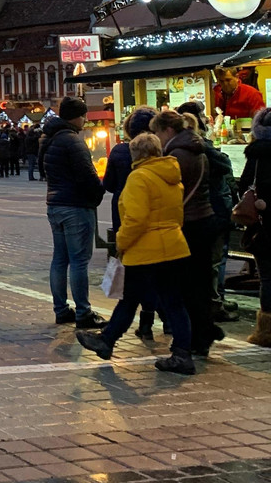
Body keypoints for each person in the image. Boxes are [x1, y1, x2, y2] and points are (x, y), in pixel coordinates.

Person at [74, 133, 195, 375]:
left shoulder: (139, 177)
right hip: (174, 246)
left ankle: (107, 340)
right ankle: (182, 354)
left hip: (146, 250)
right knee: (174, 302)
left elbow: (136, 219)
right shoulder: (172, 175)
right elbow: (177, 214)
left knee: (129, 298)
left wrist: (121, 242)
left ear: (136, 154)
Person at [150, 109, 223, 357]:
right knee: (201, 283)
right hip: (205, 219)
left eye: (158, 133)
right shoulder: (197, 149)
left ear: (168, 130)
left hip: (188, 224)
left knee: (186, 285)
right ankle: (203, 331)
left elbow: (171, 191)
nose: (157, 138)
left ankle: (195, 336)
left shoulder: (177, 155)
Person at [39, 97, 106, 328]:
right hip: (75, 206)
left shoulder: (50, 138)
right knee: (79, 261)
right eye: (83, 115)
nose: (85, 119)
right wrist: (98, 193)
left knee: (60, 259)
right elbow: (87, 175)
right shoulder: (72, 141)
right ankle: (83, 313)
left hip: (55, 204)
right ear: (76, 117)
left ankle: (61, 309)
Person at [177, 100, 239, 324]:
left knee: (209, 260)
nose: (205, 118)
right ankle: (214, 303)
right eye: (202, 115)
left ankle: (214, 299)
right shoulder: (199, 145)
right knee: (215, 259)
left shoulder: (179, 147)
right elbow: (224, 164)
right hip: (213, 207)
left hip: (199, 210)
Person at [102, 106, 161, 338]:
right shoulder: (159, 151)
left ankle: (125, 328)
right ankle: (151, 320)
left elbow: (108, 184)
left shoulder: (119, 151)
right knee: (153, 272)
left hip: (124, 215)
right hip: (152, 217)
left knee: (133, 272)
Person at [237, 106, 271, 347]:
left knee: (267, 277)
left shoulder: (255, 156)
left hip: (262, 225)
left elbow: (244, 186)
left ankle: (266, 331)